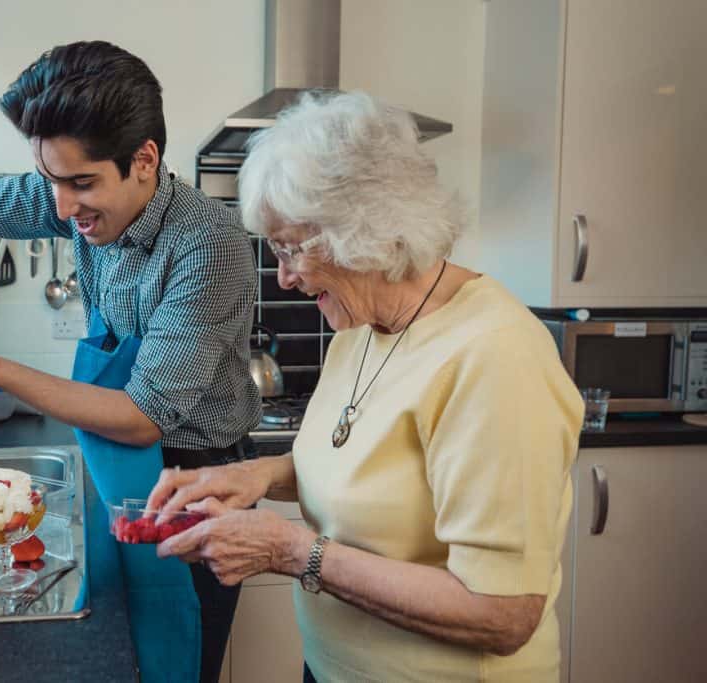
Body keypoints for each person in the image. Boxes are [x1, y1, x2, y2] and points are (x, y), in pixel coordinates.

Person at [149, 91, 583, 682]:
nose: (283, 276)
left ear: (366, 227)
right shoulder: (359, 329)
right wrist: (252, 476)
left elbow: (503, 613)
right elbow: (362, 465)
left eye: (291, 248)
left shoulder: (495, 357)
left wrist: (291, 550)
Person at [0, 41, 260, 683]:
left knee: (173, 664)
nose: (62, 208)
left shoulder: (208, 246)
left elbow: (139, 418)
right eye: (51, 180)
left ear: (144, 160)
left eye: (81, 184)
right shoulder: (75, 197)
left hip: (197, 490)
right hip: (114, 472)